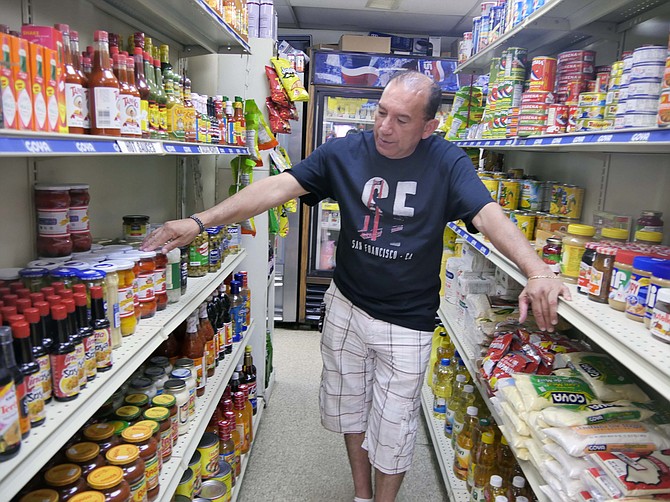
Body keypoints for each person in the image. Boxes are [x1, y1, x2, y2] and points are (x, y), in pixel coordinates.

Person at [142, 71, 570, 502]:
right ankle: (362, 494)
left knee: (395, 424)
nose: (385, 127)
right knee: (350, 408)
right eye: (382, 112)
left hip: (407, 319)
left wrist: (537, 271)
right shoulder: (345, 152)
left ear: (428, 127)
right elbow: (278, 187)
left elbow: (487, 214)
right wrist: (200, 221)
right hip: (346, 305)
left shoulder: (447, 161)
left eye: (402, 120)